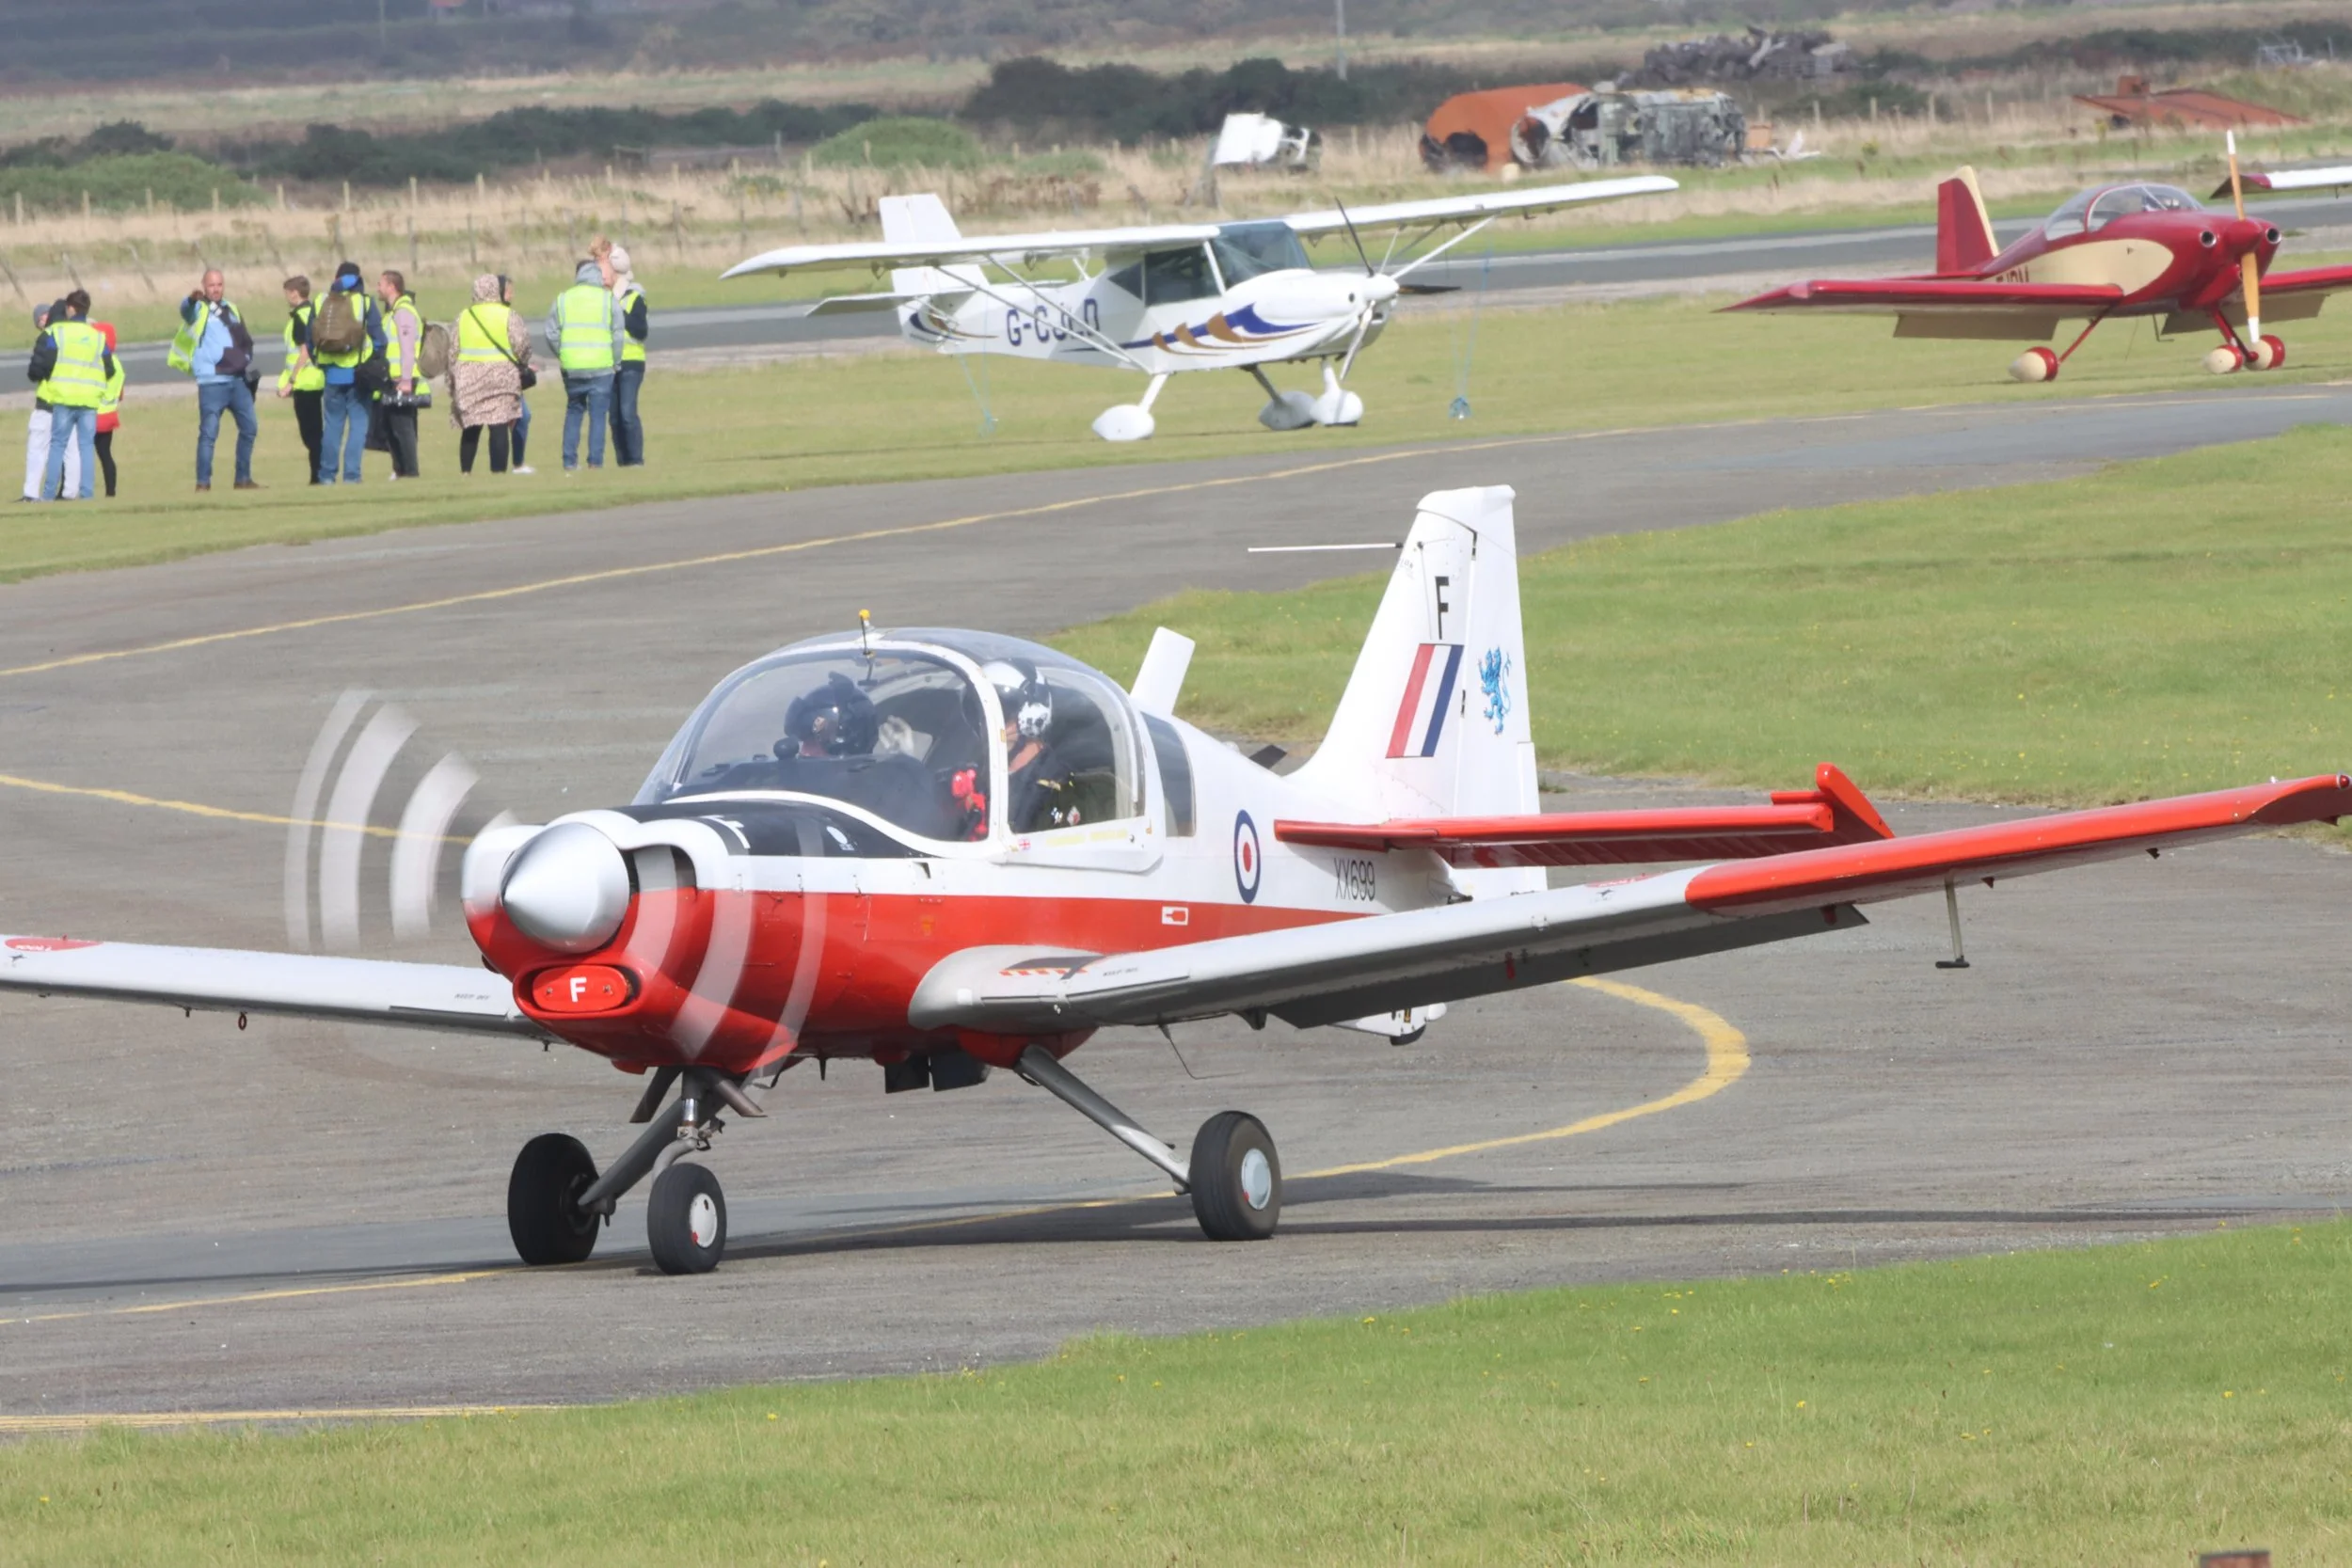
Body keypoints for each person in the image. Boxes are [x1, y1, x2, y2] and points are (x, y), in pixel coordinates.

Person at [25, 290, 113, 502]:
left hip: (63, 397)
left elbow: (44, 363)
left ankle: (47, 494)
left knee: (57, 445)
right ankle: (87, 493)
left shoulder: (57, 333)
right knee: (84, 448)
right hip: (89, 400)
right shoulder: (97, 336)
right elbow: (109, 368)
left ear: (71, 309)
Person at [176, 269, 259, 493]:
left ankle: (243, 478)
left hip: (237, 379)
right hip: (212, 381)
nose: (216, 289)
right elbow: (186, 310)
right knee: (209, 433)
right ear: (204, 286)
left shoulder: (231, 309)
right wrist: (191, 299)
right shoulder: (199, 309)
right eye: (211, 285)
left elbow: (244, 339)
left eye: (219, 284)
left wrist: (249, 364)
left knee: (250, 428)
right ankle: (203, 483)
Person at [450, 273, 532, 475]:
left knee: (471, 426)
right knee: (499, 425)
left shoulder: (464, 317)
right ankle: (498, 473)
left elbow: (453, 350)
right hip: (501, 377)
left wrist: (453, 378)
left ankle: (466, 472)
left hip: (470, 379)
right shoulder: (507, 315)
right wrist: (522, 362)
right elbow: (522, 344)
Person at [545, 259, 622, 472]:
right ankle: (595, 462)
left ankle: (569, 462)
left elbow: (550, 333)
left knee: (574, 411)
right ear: (598, 275)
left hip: (573, 367)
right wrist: (616, 361)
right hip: (602, 366)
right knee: (598, 416)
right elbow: (617, 334)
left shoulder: (563, 299)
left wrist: (563, 353)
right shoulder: (608, 300)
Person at [313, 261, 385, 485]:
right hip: (357, 374)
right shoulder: (364, 302)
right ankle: (352, 476)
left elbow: (311, 336)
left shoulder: (322, 301)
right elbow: (379, 339)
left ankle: (326, 475)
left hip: (330, 373)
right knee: (358, 424)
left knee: (333, 426)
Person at [19, 303, 78, 502]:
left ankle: (31, 493)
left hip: (49, 400)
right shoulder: (77, 334)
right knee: (71, 449)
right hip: (72, 400)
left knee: (37, 447)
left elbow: (36, 370)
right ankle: (70, 492)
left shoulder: (48, 337)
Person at [375, 270, 426, 480]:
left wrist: (405, 380)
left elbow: (407, 348)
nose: (377, 288)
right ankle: (400, 469)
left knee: (403, 427)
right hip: (393, 378)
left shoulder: (403, 312)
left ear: (391, 286)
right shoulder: (392, 312)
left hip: (402, 380)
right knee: (392, 427)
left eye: (380, 284)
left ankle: (410, 471)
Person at [276, 276, 326, 483]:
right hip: (318, 379)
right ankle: (321, 473)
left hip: (305, 383)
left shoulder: (299, 317)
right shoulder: (314, 313)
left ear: (294, 293)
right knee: (317, 432)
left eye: (287, 293)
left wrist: (291, 381)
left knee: (311, 435)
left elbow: (304, 351)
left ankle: (319, 476)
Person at [605, 244, 648, 467]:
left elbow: (641, 330)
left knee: (627, 413)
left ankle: (636, 460)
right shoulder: (603, 297)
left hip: (632, 363)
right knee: (614, 417)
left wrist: (617, 312)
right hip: (609, 363)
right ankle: (622, 462)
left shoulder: (635, 296)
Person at [501, 275, 534, 474]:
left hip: (510, 374)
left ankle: (517, 463)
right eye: (508, 290)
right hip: (501, 376)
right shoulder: (505, 317)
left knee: (522, 416)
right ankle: (514, 464)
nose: (512, 294)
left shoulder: (510, 315)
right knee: (519, 416)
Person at [89, 307, 121, 499]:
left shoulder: (97, 361)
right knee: (105, 455)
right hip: (109, 415)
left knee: (83, 455)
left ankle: (80, 489)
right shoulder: (117, 363)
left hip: (93, 414)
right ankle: (111, 492)